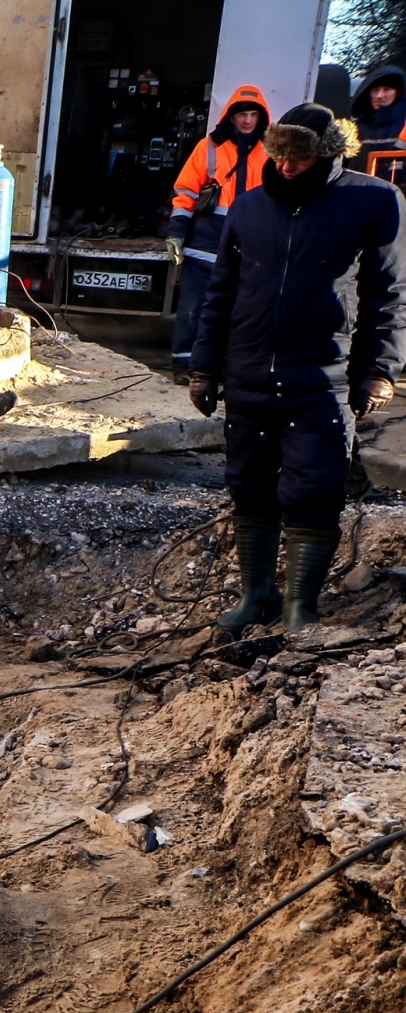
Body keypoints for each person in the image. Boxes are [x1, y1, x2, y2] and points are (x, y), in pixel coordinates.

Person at [190, 103, 406, 633]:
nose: (287, 167)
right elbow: (220, 295)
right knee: (249, 484)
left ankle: (299, 606)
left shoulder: (374, 201)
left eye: (301, 157)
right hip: (248, 372)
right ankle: (257, 594)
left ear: (328, 152)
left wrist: (380, 368)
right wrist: (204, 367)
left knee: (314, 488)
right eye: (281, 156)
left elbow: (390, 295)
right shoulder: (249, 207)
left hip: (322, 374)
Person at [167, 85, 270, 383]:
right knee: (193, 308)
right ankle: (185, 366)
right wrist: (176, 233)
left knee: (239, 312)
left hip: (250, 245)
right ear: (231, 117)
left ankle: (224, 367)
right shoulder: (208, 147)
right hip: (205, 243)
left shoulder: (272, 150)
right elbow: (185, 192)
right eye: (242, 115)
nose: (248, 120)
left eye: (253, 114)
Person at [351, 64, 405, 170]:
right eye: (376, 90)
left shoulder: (404, 126)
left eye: (387, 89)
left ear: (398, 93)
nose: (379, 96)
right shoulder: (354, 128)